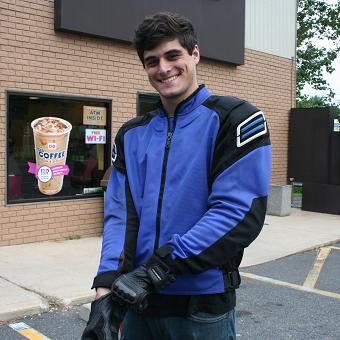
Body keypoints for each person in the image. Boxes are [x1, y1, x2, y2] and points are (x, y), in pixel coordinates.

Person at [82, 11, 271, 340]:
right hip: (138, 304)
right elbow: (119, 215)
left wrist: (156, 270)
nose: (164, 68)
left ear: (195, 54)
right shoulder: (131, 134)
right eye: (152, 61)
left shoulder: (237, 120)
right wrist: (106, 285)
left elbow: (237, 212)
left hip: (200, 307)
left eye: (173, 55)